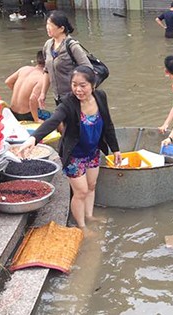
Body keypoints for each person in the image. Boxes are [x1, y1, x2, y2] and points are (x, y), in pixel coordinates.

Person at [18, 66, 121, 231]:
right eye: (74, 85)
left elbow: (108, 124)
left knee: (92, 186)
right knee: (81, 192)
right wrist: (34, 138)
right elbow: (54, 120)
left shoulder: (100, 96)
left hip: (93, 151)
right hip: (74, 155)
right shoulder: (68, 102)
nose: (78, 90)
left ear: (93, 85)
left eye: (83, 85)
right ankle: (81, 227)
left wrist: (115, 149)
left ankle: (89, 216)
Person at [39, 10, 92, 109]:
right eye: (47, 24)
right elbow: (47, 71)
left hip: (74, 97)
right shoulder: (48, 45)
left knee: (71, 123)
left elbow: (88, 70)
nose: (47, 27)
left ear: (61, 28)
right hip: (58, 97)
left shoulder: (72, 46)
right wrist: (43, 93)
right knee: (63, 123)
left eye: (50, 25)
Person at [4, 50, 46, 122]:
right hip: (26, 114)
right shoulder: (42, 77)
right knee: (58, 120)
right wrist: (36, 119)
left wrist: (22, 95)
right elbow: (32, 99)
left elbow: (8, 82)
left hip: (13, 112)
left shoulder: (24, 69)